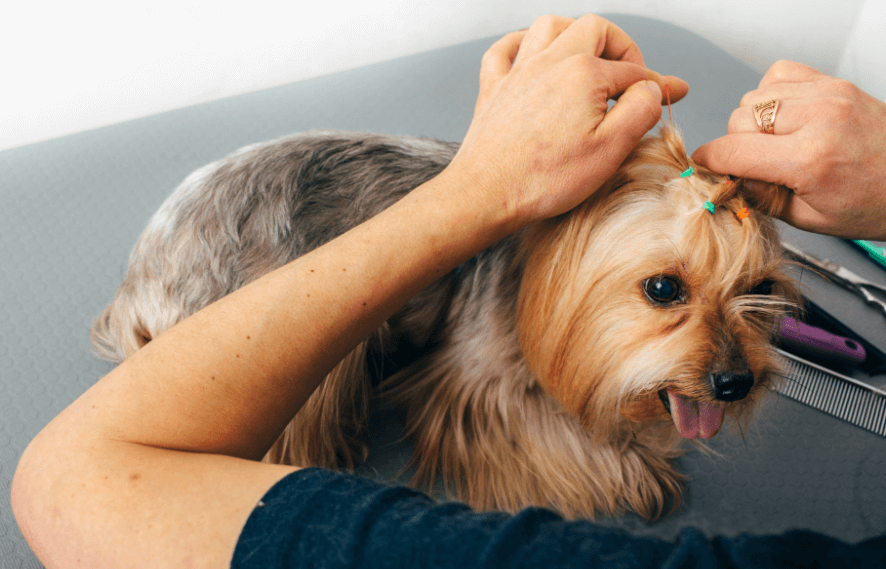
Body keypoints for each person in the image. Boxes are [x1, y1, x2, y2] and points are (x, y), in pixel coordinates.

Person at [10, 13, 886, 569]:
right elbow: (476, 422)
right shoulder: (521, 303)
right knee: (320, 415)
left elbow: (75, 478)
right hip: (220, 258)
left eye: (755, 297)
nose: (737, 358)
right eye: (665, 290)